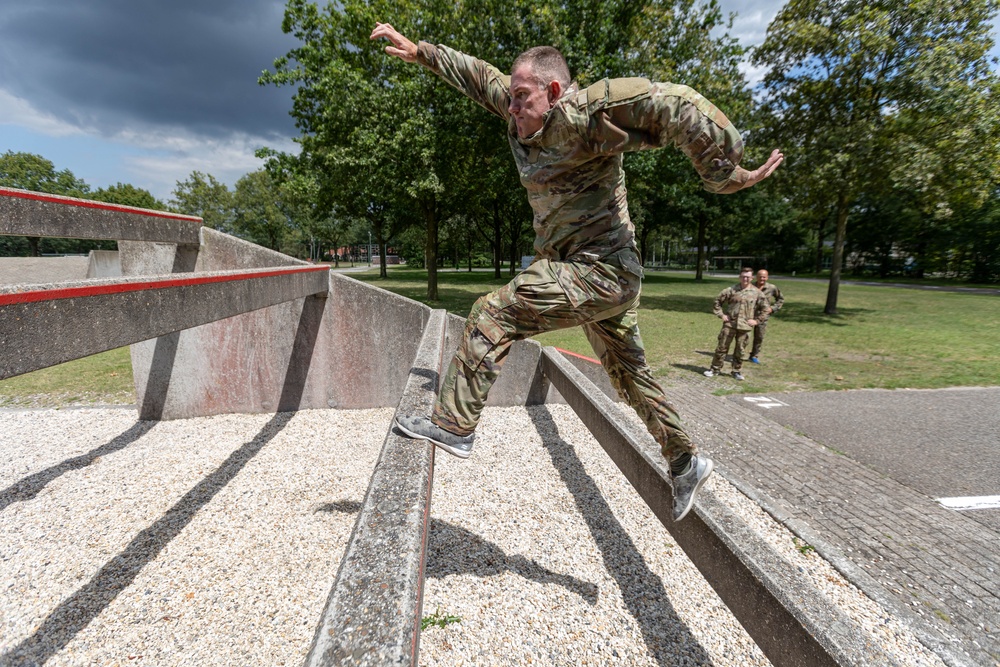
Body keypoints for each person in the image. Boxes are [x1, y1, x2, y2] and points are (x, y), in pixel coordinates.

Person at [371, 22, 783, 521]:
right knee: (630, 377)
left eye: (522, 98)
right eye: (511, 99)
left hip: (602, 269)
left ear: (553, 92)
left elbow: (679, 105)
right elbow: (477, 76)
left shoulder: (590, 113)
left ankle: (454, 426)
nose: (513, 109)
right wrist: (421, 53)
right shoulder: (514, 103)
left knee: (492, 314)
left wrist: (724, 173)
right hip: (578, 271)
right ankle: (685, 462)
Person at [704, 267, 770, 381]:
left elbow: (766, 309)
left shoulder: (757, 293)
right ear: (740, 277)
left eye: (748, 277)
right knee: (722, 347)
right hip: (730, 324)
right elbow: (717, 302)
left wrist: (757, 321)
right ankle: (715, 369)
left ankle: (736, 371)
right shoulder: (731, 290)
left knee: (740, 350)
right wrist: (721, 315)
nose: (745, 279)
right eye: (743, 276)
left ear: (752, 278)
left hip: (745, 326)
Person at [749, 269, 783, 364]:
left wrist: (773, 309)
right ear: (756, 277)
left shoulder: (772, 288)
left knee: (759, 336)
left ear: (767, 277)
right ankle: (739, 354)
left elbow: (780, 299)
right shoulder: (750, 286)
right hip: (749, 315)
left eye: (764, 277)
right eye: (760, 276)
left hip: (763, 316)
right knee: (744, 336)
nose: (762, 278)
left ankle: (754, 355)